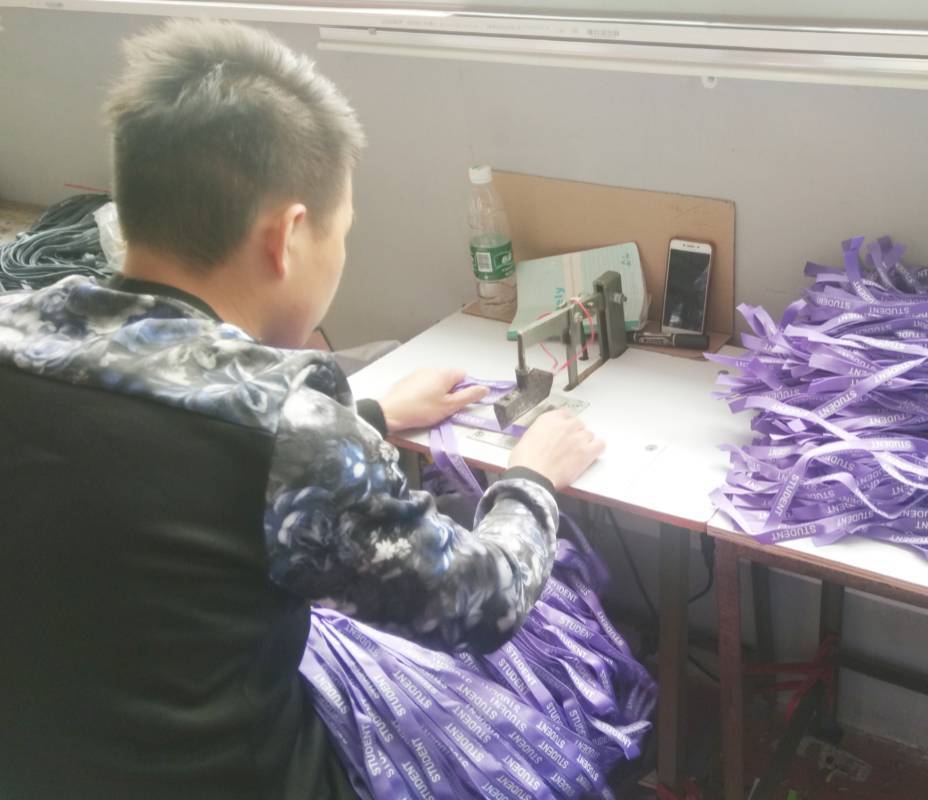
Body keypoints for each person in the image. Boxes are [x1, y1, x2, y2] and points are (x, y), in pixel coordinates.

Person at [0, 19, 604, 799]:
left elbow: (161, 427)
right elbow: (483, 605)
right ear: (287, 237)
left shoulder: (18, 329)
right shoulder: (291, 433)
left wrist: (367, 415)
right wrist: (532, 479)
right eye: (340, 234)